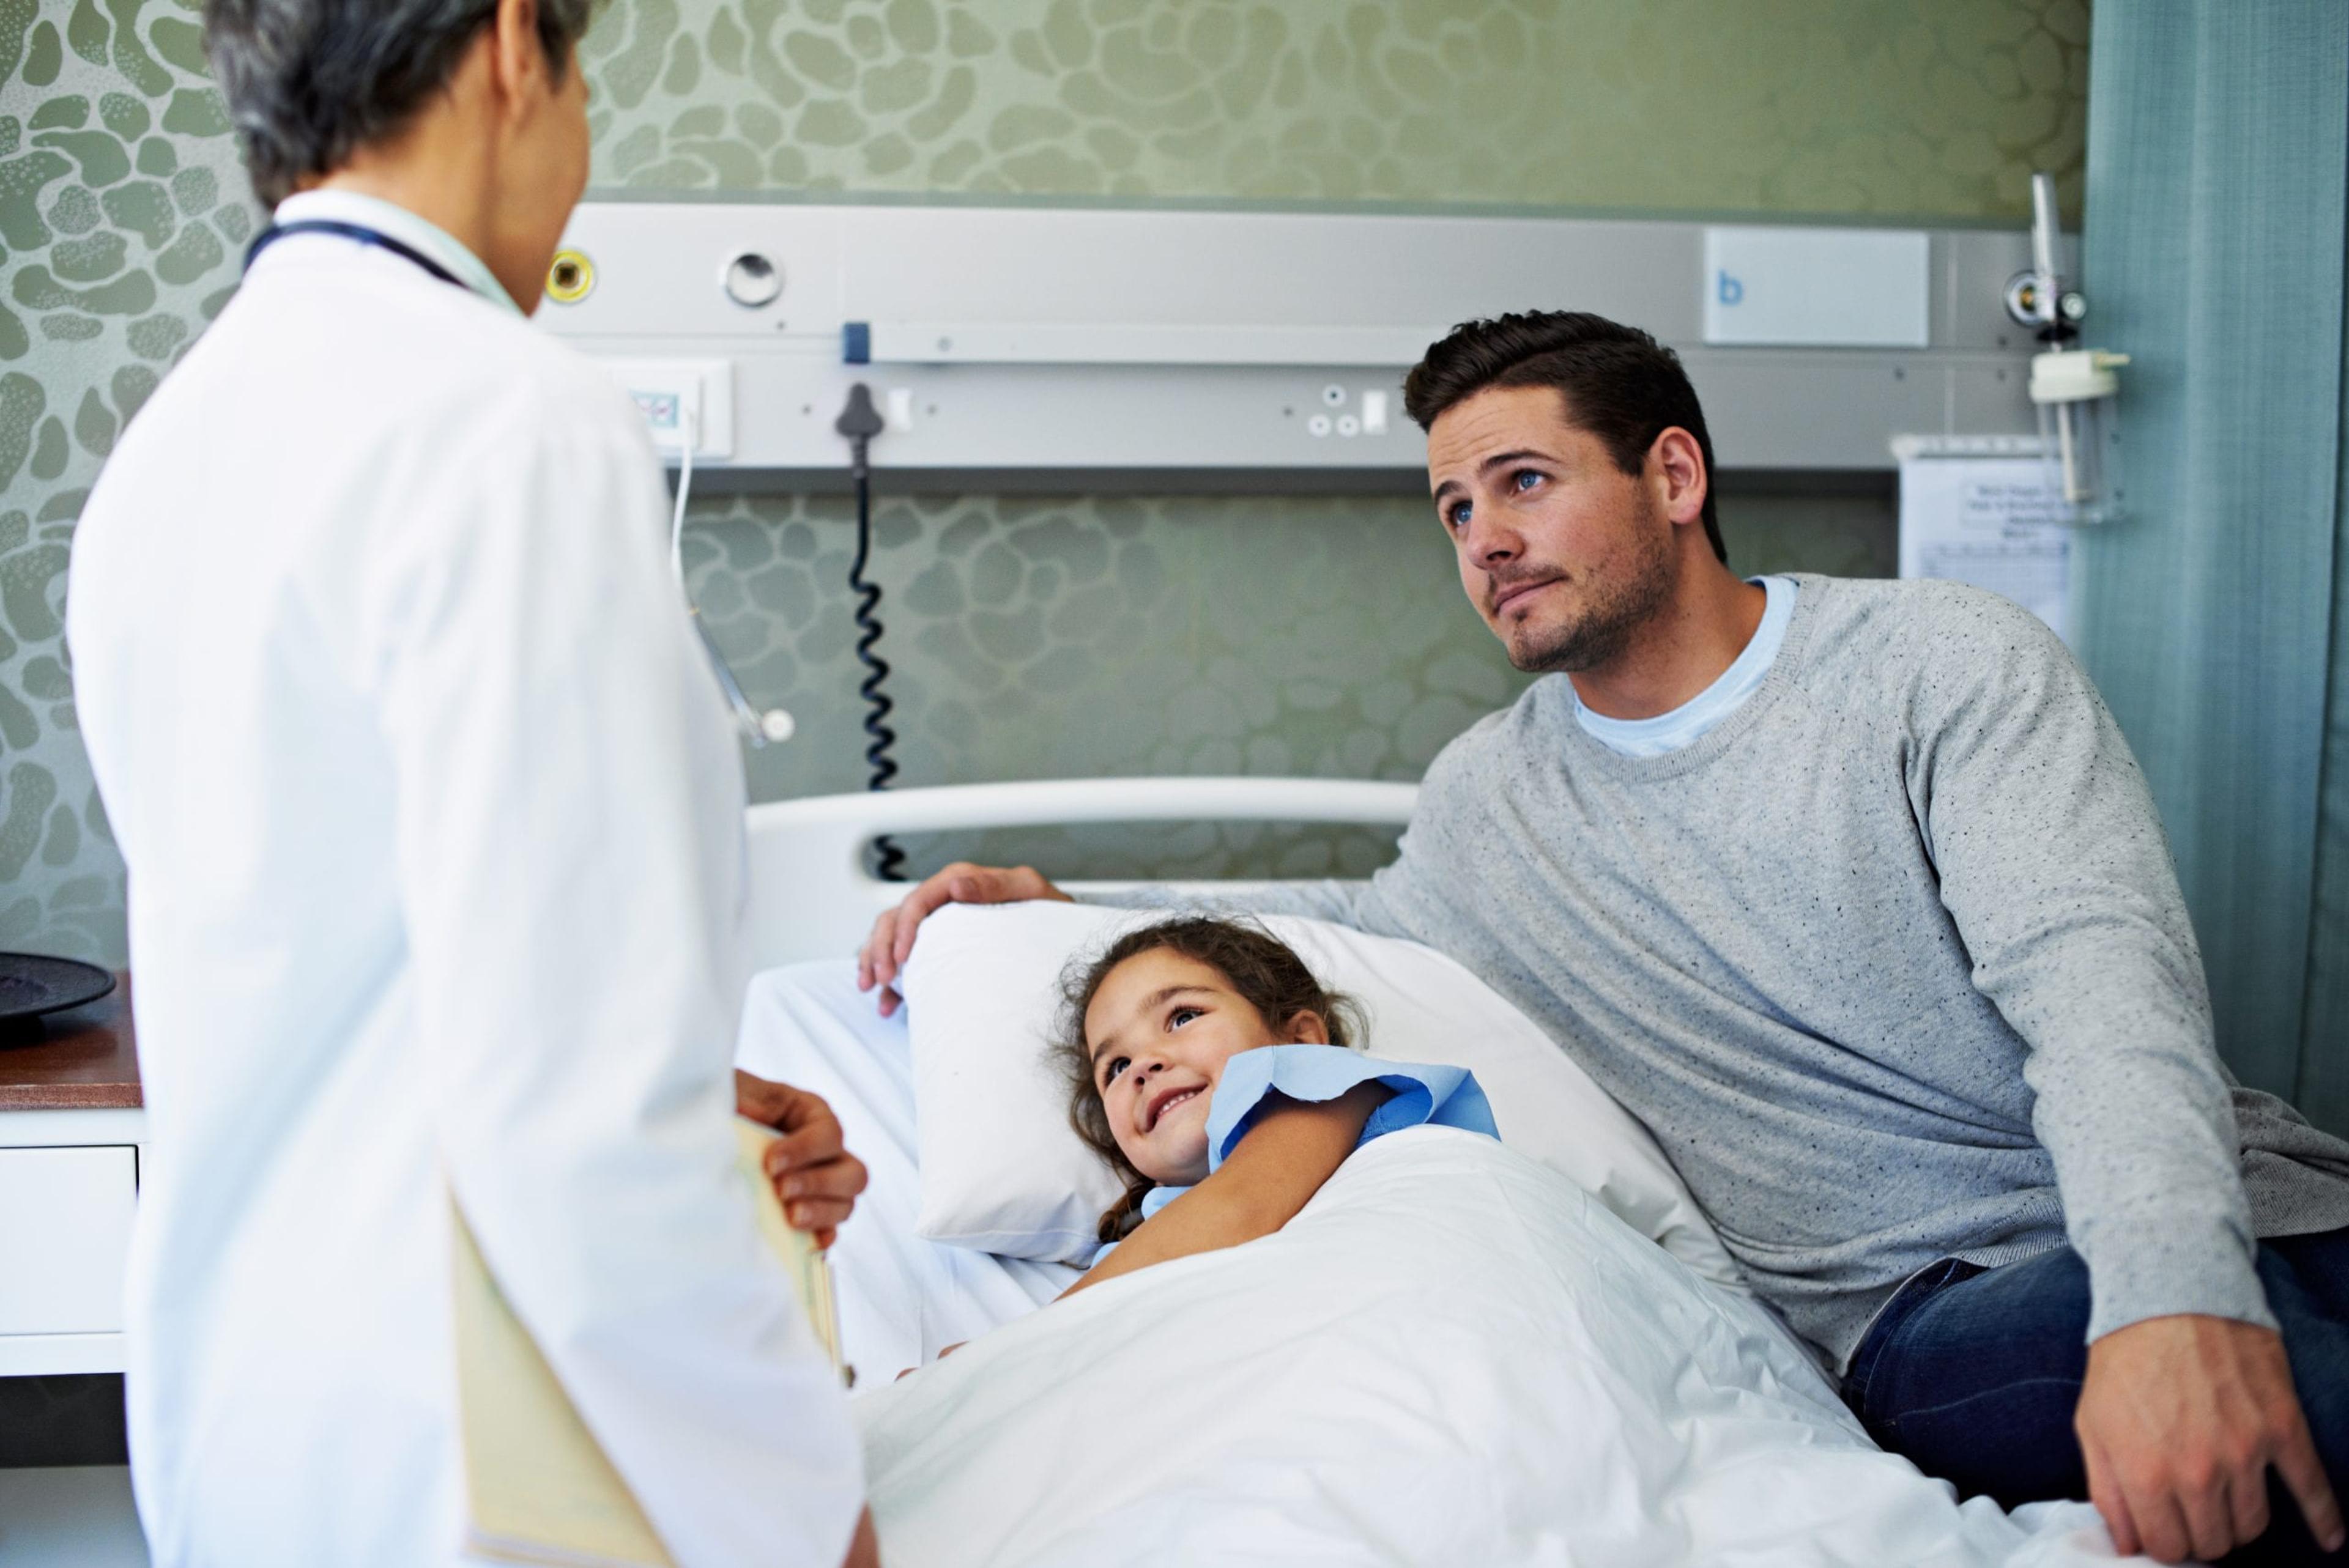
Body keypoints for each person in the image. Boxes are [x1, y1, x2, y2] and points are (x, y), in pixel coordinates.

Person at [859, 311, 2349, 1565]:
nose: (1484, 542)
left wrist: (2173, 1291)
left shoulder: (1935, 669)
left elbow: (2106, 997)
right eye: (1453, 509)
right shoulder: (1493, 808)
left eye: (1522, 482)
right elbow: (1340, 930)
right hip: (1929, 1317)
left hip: (2235, 1203)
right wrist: (1051, 910)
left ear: (1674, 475)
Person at [69, 2, 877, 1564]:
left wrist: (687, 1087)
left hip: (254, 1418)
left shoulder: (175, 447)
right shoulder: (509, 421)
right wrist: (802, 1514)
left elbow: (333, 951)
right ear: (515, 48)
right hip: (481, 1449)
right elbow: (583, 1129)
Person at [1053, 917, 1495, 1298]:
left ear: (1299, 1039)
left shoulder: (1329, 1090)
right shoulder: (1135, 1245)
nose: (1143, 1066)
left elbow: (1240, 1208)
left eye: (1183, 1017)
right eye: (1116, 1066)